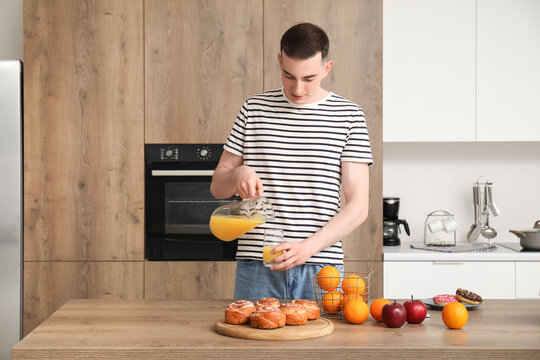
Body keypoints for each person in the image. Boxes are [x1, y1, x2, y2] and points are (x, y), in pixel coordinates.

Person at [210, 22, 373, 300]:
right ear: (279, 61)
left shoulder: (349, 116)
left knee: (320, 343)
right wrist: (237, 175)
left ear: (326, 67)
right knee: (255, 342)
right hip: (259, 264)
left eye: (308, 78)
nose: (297, 89)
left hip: (321, 267)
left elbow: (358, 207)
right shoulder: (254, 109)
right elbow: (218, 187)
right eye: (288, 75)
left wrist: (308, 247)